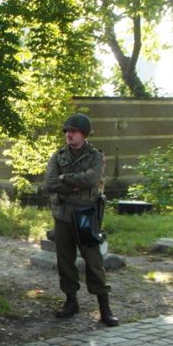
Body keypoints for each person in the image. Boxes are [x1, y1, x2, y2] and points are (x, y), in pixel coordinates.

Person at [44, 113, 119, 326]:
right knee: (65, 261)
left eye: (73, 131)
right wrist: (76, 183)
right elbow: (50, 183)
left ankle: (105, 309)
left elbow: (92, 179)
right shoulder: (58, 157)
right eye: (67, 131)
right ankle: (71, 301)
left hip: (86, 215)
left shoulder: (95, 156)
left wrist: (65, 179)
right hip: (63, 216)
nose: (69, 135)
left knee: (94, 262)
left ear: (84, 134)